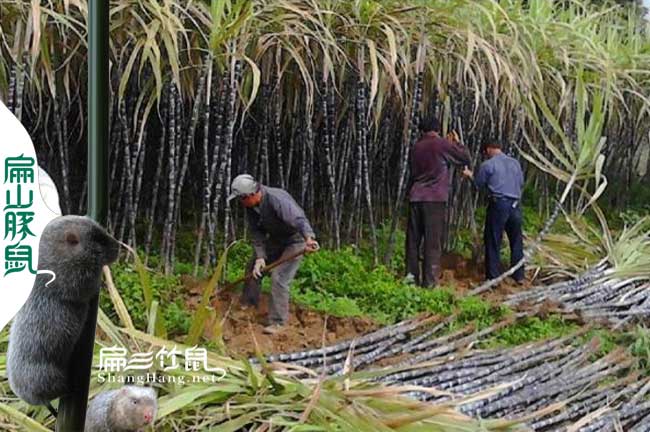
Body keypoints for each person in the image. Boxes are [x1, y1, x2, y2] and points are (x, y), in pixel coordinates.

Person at [227, 174, 319, 334]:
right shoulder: (251, 207)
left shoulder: (276, 199)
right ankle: (249, 304)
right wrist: (261, 257)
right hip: (276, 239)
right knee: (253, 266)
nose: (240, 203)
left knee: (279, 277)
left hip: (296, 241)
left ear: (250, 195)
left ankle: (278, 322)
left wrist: (309, 239)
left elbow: (299, 219)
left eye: (241, 199)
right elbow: (257, 233)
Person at [406, 117, 470, 288]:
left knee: (413, 240)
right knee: (432, 241)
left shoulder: (416, 147)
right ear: (437, 129)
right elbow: (464, 158)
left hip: (415, 197)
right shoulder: (441, 144)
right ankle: (430, 282)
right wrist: (457, 143)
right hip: (434, 199)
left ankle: (411, 278)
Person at [462, 141, 525, 284]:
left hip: (499, 204)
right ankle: (519, 275)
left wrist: (470, 175)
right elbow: (521, 182)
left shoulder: (488, 165)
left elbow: (479, 184)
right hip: (515, 204)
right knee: (516, 241)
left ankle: (493, 277)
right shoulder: (515, 163)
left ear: (489, 149)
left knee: (493, 239)